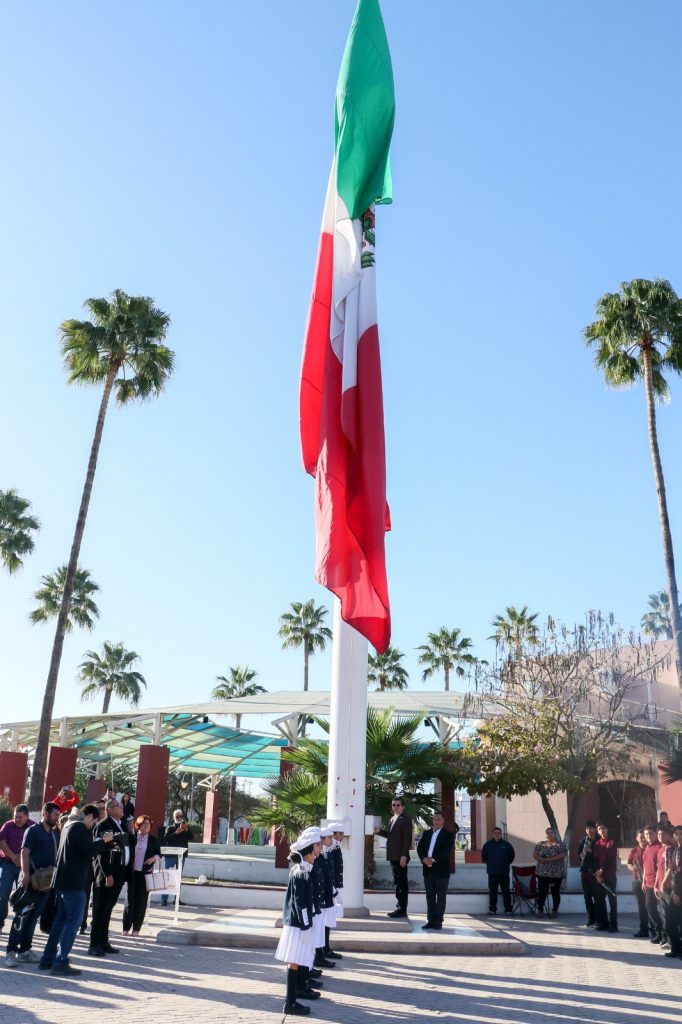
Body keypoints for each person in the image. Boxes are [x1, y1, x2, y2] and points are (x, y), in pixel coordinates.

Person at [39, 803, 113, 976]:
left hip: (62, 882)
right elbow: (89, 851)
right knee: (73, 923)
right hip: (74, 884)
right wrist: (103, 840)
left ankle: (47, 959)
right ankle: (61, 961)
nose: (92, 826)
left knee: (59, 921)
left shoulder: (67, 826)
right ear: (90, 817)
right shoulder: (79, 827)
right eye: (94, 822)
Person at [4, 802, 60, 967]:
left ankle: (25, 951)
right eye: (55, 815)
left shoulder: (54, 834)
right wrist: (26, 874)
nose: (57, 818)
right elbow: (24, 853)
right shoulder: (33, 830)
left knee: (33, 917)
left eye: (58, 815)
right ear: (45, 814)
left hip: (46, 883)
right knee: (21, 916)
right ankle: (11, 952)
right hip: (30, 882)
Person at [275, 834, 317, 1017]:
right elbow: (300, 903)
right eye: (313, 853)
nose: (315, 856)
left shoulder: (301, 870)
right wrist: (306, 926)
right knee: (293, 962)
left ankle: (291, 1001)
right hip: (297, 925)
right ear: (306, 854)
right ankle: (290, 1003)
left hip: (297, 924)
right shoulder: (300, 873)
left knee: (295, 962)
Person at [89, 798, 133, 957]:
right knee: (100, 909)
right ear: (109, 810)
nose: (121, 808)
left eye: (121, 806)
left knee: (108, 908)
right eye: (118, 806)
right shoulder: (103, 825)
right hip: (107, 874)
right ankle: (94, 944)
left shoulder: (122, 824)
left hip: (120, 872)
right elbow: (100, 852)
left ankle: (103, 941)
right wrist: (107, 874)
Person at [122, 815, 160, 936]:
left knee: (141, 901)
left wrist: (152, 859)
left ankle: (136, 929)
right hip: (132, 873)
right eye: (144, 824)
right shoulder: (133, 837)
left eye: (148, 824)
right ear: (138, 825)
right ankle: (126, 927)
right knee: (130, 900)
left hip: (145, 874)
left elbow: (158, 854)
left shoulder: (153, 840)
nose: (147, 826)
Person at [375, 797, 413, 919]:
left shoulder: (405, 819)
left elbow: (407, 839)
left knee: (402, 883)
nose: (395, 807)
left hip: (400, 856)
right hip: (392, 855)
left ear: (403, 807)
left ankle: (402, 910)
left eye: (398, 805)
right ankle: (399, 908)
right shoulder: (392, 819)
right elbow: (391, 836)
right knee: (397, 882)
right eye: (393, 805)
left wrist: (404, 855)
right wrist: (379, 831)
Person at [416, 811, 454, 930]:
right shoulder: (426, 833)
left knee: (441, 897)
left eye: (438, 819)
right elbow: (419, 848)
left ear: (443, 821)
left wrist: (432, 859)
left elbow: (446, 851)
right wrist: (424, 859)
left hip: (441, 871)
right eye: (434, 819)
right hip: (428, 870)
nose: (436, 821)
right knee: (430, 896)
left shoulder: (448, 835)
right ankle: (430, 921)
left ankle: (438, 922)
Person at [0, 804, 31, 934]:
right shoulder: (8, 825)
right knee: (2, 895)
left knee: (23, 896)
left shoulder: (33, 827)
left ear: (27, 816)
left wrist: (23, 861)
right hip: (8, 864)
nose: (17, 819)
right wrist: (13, 856)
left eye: (20, 817)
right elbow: (1, 841)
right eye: (15, 817)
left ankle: (19, 925)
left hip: (25, 866)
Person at [532, 827, 567, 918]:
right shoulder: (540, 844)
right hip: (542, 874)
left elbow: (562, 855)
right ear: (546, 834)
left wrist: (549, 860)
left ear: (555, 834)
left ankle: (554, 911)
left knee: (555, 893)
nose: (550, 834)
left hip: (556, 875)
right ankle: (540, 911)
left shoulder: (560, 844)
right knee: (542, 893)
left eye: (551, 832)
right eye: (548, 833)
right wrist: (540, 859)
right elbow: (535, 854)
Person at [160, 809, 192, 906]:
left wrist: (187, 830)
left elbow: (191, 837)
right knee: (168, 877)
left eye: (181, 816)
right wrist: (176, 833)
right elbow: (165, 839)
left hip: (181, 856)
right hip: (170, 856)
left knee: (178, 877)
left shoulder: (185, 828)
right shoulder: (170, 828)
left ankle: (176, 899)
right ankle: (164, 899)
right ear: (174, 818)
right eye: (177, 816)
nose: (179, 818)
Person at [481, 827, 515, 915]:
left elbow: (512, 856)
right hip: (492, 872)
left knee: (506, 891)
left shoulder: (507, 845)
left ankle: (508, 909)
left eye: (499, 833)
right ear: (492, 834)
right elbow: (484, 857)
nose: (497, 834)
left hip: (504, 872)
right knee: (492, 892)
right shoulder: (487, 845)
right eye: (495, 833)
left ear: (501, 834)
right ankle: (492, 910)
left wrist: (506, 863)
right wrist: (490, 863)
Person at [319, 826, 341, 959]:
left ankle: (325, 949)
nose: (331, 840)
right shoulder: (319, 855)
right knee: (322, 923)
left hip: (328, 893)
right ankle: (321, 952)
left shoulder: (326, 852)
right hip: (322, 895)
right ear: (322, 839)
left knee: (327, 922)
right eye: (329, 838)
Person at [593, 822, 618, 932]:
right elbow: (595, 860)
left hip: (610, 876)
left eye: (603, 828)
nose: (601, 830)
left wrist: (602, 871)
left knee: (612, 901)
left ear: (607, 829)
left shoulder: (612, 842)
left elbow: (611, 859)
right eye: (599, 829)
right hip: (600, 877)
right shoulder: (597, 843)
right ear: (598, 831)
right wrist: (598, 875)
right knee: (600, 900)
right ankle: (604, 923)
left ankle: (614, 925)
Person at [662, 823, 682, 960]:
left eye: (681, 834)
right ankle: (676, 948)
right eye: (676, 834)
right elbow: (673, 871)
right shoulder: (675, 851)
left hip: (679, 892)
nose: (679, 836)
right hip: (674, 890)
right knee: (670, 921)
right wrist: (664, 882)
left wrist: (677, 893)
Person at [642, 825, 662, 944]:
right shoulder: (647, 847)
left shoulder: (659, 847)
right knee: (650, 907)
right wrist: (643, 880)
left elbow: (660, 867)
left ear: (655, 834)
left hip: (657, 883)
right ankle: (658, 932)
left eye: (650, 833)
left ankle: (661, 932)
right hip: (648, 883)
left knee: (652, 907)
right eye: (646, 834)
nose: (648, 836)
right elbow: (645, 865)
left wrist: (656, 883)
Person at [627, 829, 649, 937]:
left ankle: (654, 929)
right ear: (637, 839)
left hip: (649, 882)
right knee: (641, 906)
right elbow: (628, 863)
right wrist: (634, 869)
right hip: (637, 881)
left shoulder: (650, 849)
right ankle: (643, 929)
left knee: (650, 906)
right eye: (641, 837)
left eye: (644, 837)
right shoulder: (634, 850)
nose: (643, 839)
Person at [655, 825, 673, 951]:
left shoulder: (671, 849)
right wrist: (656, 884)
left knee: (669, 915)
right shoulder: (661, 849)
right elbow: (658, 868)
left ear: (669, 835)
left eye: (663, 834)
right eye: (659, 834)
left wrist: (664, 882)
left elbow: (670, 868)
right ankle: (666, 938)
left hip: (668, 887)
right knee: (663, 914)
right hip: (660, 886)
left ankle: (671, 941)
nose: (661, 836)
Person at [578, 820, 599, 927]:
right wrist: (581, 855)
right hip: (585, 871)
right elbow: (579, 854)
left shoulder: (598, 840)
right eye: (587, 828)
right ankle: (591, 918)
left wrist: (592, 851)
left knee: (597, 896)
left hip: (595, 872)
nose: (589, 830)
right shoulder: (583, 840)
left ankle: (598, 918)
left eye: (591, 828)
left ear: (595, 829)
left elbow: (600, 856)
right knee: (587, 897)